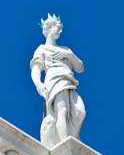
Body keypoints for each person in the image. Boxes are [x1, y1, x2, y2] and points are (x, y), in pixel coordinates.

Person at [30, 14, 86, 147]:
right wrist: (38, 83)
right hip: (54, 80)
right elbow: (36, 68)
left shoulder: (66, 49)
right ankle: (65, 145)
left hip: (69, 81)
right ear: (48, 29)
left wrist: (70, 55)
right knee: (62, 111)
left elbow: (80, 68)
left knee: (80, 111)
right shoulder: (42, 49)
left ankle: (69, 137)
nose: (60, 31)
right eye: (58, 28)